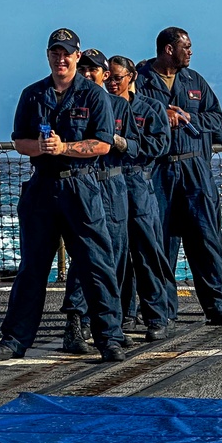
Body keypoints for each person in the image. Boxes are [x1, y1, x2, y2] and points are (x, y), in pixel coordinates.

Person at [0, 29, 129, 363]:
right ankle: (14, 340)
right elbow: (18, 141)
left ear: (77, 56)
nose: (61, 58)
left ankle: (109, 337)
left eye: (66, 53)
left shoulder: (93, 96)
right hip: (43, 186)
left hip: (81, 186)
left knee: (96, 266)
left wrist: (64, 147)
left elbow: (103, 144)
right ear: (48, 55)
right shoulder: (33, 94)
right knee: (32, 269)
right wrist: (39, 147)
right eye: (55, 52)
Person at [136, 27, 222, 326]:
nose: (190, 51)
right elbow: (126, 114)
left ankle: (217, 306)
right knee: (159, 241)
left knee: (206, 239)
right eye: (185, 46)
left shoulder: (195, 82)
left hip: (195, 170)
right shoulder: (140, 79)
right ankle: (163, 310)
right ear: (168, 49)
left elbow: (217, 121)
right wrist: (159, 117)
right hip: (157, 169)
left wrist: (190, 117)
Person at [60, 49, 134, 354]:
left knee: (114, 256)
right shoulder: (71, 101)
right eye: (85, 69)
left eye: (96, 70)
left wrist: (118, 142)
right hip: (86, 183)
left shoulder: (119, 106)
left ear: (106, 74)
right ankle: (75, 323)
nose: (89, 74)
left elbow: (137, 145)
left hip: (114, 183)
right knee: (84, 258)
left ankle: (109, 325)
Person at [106, 55, 175, 341]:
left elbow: (161, 144)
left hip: (138, 180)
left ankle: (157, 316)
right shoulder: (104, 107)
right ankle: (123, 315)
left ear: (132, 77)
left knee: (148, 251)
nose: (111, 82)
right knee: (117, 254)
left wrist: (127, 144)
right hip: (111, 182)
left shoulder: (151, 107)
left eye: (117, 77)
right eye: (108, 77)